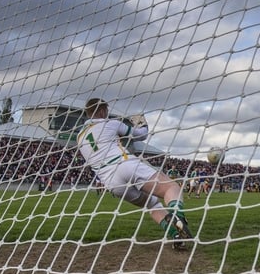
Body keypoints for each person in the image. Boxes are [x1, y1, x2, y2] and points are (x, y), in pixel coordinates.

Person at [77, 98, 193, 249]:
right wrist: (142, 124)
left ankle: (176, 235)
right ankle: (178, 217)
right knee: (171, 188)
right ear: (101, 111)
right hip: (124, 164)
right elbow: (140, 135)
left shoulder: (79, 137)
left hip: (112, 182)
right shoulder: (110, 123)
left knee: (152, 204)